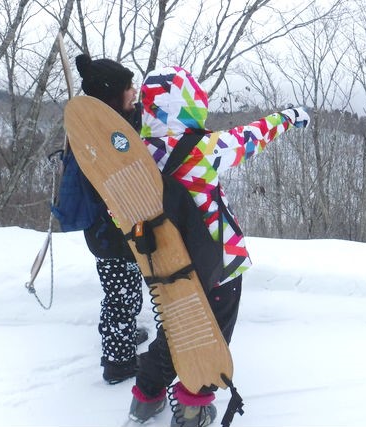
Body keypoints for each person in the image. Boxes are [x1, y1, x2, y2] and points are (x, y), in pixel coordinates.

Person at [127, 66, 309, 427]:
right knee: (211, 334)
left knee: (174, 326)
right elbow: (253, 136)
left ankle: (147, 397)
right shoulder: (204, 149)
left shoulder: (134, 156)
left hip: (164, 265)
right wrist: (288, 117)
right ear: (191, 104)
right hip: (219, 265)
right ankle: (193, 407)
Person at [75, 54, 149, 384]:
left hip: (121, 231)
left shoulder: (114, 123)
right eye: (128, 88)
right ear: (110, 97)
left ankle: (124, 334)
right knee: (119, 296)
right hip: (110, 233)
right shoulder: (98, 136)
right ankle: (117, 363)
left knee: (128, 291)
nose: (134, 92)